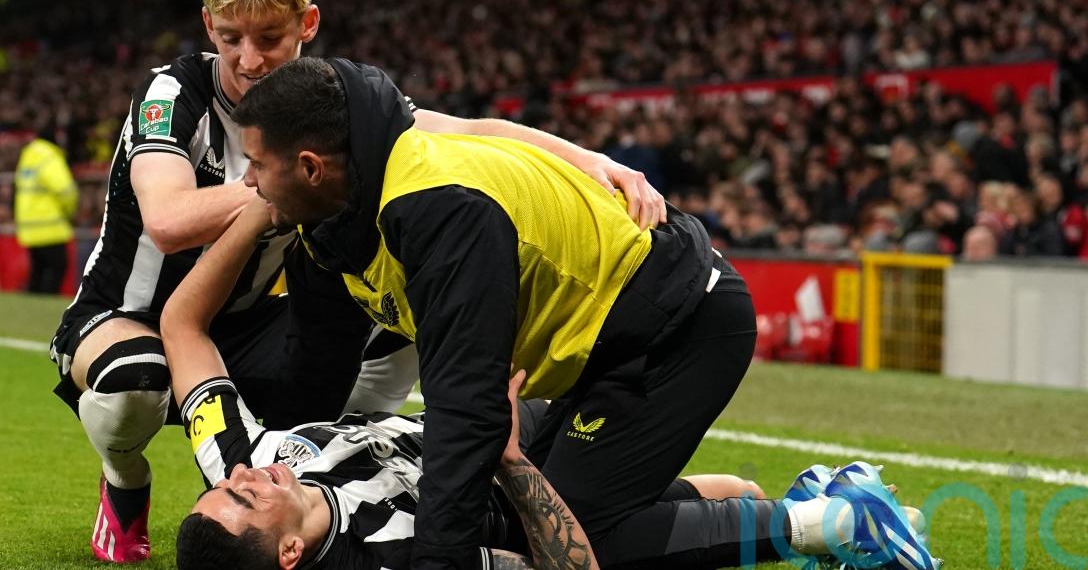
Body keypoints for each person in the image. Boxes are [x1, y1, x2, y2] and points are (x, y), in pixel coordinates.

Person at [49, 0, 666, 563]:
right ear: (208, 25)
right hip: (126, 313)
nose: (249, 59)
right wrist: (273, 185)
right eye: (230, 37)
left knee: (401, 309)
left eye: (269, 38)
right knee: (135, 381)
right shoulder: (173, 93)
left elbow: (465, 132)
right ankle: (124, 479)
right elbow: (168, 220)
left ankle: (347, 476)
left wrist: (593, 160)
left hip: (249, 319)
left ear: (308, 24)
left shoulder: (327, 100)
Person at [231, 57, 937, 569]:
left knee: (575, 534)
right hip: (599, 340)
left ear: (312, 165)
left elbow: (467, 407)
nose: (249, 184)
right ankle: (794, 503)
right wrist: (277, 468)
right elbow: (315, 382)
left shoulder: (435, 209)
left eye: (257, 165)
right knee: (530, 510)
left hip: (678, 325)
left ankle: (840, 522)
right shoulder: (331, 221)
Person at [163, 199, 935, 570]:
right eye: (244, 500)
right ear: (289, 553)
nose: (242, 477)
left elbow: (182, 330)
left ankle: (810, 512)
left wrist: (255, 208)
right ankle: (833, 519)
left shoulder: (247, 454)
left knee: (688, 490)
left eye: (225, 485)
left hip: (491, 410)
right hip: (507, 474)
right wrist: (507, 460)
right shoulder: (390, 563)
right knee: (605, 530)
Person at [14, 127, 78, 294]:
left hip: (29, 227)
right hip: (50, 226)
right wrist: (69, 212)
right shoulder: (50, 157)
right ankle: (46, 302)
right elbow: (65, 191)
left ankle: (32, 304)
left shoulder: (28, 156)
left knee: (38, 269)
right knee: (58, 266)